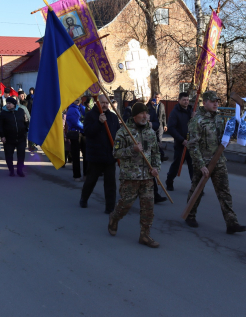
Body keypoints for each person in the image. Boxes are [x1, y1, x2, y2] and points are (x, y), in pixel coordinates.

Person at [185, 91, 246, 234]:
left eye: (217, 101)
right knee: (197, 190)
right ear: (204, 102)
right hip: (203, 162)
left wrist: (227, 141)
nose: (215, 104)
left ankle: (232, 222)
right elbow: (192, 145)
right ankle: (190, 215)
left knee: (224, 192)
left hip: (218, 161)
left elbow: (222, 138)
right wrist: (201, 165)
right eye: (212, 101)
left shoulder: (219, 119)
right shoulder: (197, 121)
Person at [108, 102, 161, 248]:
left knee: (148, 207)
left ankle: (145, 235)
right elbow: (115, 153)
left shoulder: (150, 132)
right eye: (142, 113)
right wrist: (132, 149)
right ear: (135, 116)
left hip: (147, 177)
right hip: (130, 177)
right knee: (125, 205)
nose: (145, 116)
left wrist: (156, 168)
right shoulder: (124, 131)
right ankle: (114, 218)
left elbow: (156, 152)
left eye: (146, 113)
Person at [79, 95, 120, 214]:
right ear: (97, 103)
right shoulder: (91, 115)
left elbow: (118, 134)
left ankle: (110, 207)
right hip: (95, 155)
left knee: (110, 184)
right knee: (91, 180)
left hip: (109, 156)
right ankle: (84, 198)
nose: (105, 105)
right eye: (102, 103)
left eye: (107, 103)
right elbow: (88, 132)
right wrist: (99, 122)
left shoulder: (113, 117)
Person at [165, 92, 193, 191]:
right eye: (184, 100)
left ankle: (195, 186)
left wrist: (195, 117)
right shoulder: (175, 112)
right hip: (181, 143)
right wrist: (181, 140)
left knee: (193, 165)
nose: (186, 102)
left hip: (191, 143)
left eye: (187, 100)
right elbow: (171, 128)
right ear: (179, 100)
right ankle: (169, 181)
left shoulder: (191, 111)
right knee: (177, 164)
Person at [0, 97, 29, 177]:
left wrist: (26, 131)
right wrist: (2, 136)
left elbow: (26, 122)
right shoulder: (3, 113)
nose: (8, 105)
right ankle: (11, 170)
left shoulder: (21, 111)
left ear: (14, 104)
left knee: (21, 155)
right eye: (7, 103)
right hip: (9, 138)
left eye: (9, 104)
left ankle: (19, 170)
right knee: (9, 155)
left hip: (21, 137)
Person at [66, 98, 87, 181]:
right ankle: (77, 175)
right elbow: (75, 122)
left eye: (78, 99)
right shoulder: (71, 109)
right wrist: (85, 128)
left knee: (86, 154)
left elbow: (87, 116)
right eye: (75, 99)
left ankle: (86, 174)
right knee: (76, 155)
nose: (77, 100)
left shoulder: (82, 108)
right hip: (76, 133)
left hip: (83, 133)